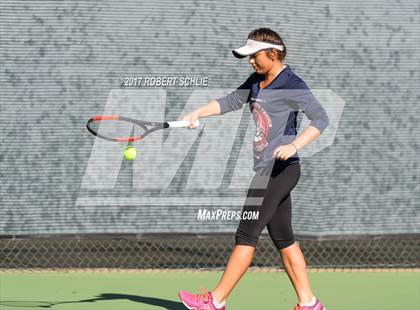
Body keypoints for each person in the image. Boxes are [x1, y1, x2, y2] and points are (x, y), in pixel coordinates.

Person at [178, 27, 329, 310]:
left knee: (246, 234)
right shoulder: (257, 81)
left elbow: (321, 119)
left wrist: (294, 146)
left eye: (254, 56)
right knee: (284, 238)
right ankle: (309, 303)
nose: (250, 61)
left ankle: (215, 300)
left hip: (281, 169)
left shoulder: (292, 83)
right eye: (247, 57)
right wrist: (197, 112)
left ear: (273, 53)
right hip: (265, 170)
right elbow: (232, 101)